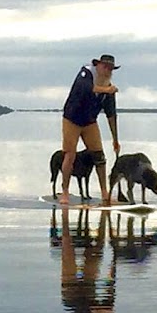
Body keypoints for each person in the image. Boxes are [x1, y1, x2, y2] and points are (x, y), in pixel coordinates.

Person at [59, 54, 120, 204]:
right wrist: (107, 90)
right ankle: (65, 192)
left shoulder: (108, 88)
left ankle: (105, 193)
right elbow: (86, 88)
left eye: (111, 68)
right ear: (98, 65)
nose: (107, 70)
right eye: (105, 66)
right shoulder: (85, 73)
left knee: (99, 157)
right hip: (72, 119)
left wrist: (115, 140)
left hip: (89, 122)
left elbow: (111, 115)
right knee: (70, 154)